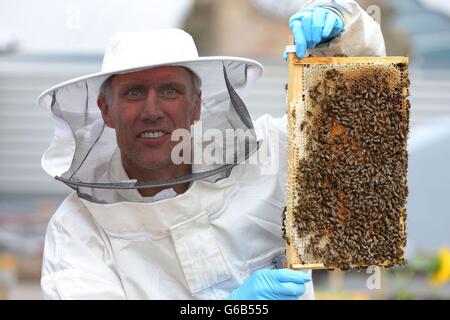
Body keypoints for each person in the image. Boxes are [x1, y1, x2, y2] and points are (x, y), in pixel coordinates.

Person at [38, 0, 385, 300]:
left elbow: (359, 125)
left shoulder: (267, 157)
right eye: (134, 92)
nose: (152, 109)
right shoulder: (78, 229)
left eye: (171, 90)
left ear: (197, 105)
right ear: (106, 110)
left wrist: (345, 36)